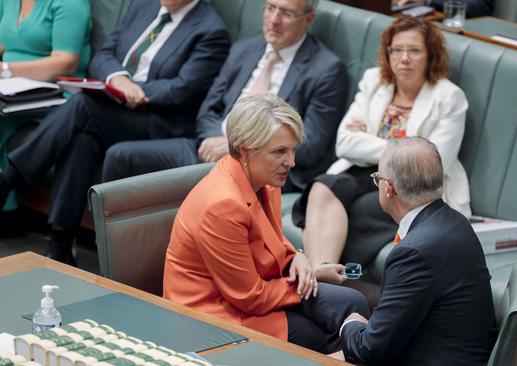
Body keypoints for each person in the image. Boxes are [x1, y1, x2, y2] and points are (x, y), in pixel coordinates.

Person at [0, 0, 230, 264]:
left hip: (160, 120)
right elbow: (104, 54)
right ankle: (60, 242)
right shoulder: (143, 6)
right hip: (116, 107)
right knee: (81, 138)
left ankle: (10, 179)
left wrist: (134, 91)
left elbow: (182, 89)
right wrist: (117, 79)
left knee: (82, 106)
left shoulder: (211, 31)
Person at [163, 94, 369, 354]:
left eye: (293, 149)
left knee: (353, 302)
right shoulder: (222, 205)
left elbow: (271, 242)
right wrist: (311, 277)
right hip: (215, 312)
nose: (291, 162)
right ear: (245, 148)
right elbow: (249, 297)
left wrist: (297, 257)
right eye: (280, 152)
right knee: (323, 336)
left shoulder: (266, 180)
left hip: (259, 291)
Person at [101, 0, 346, 193]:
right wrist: (214, 140)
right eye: (270, 8)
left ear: (308, 19)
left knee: (208, 184)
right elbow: (209, 110)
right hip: (211, 148)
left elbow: (310, 144)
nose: (274, 20)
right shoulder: (244, 50)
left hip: (264, 168)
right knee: (120, 156)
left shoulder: (326, 69)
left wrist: (236, 148)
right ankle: (114, 255)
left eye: (287, 13)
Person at [293, 16, 470, 281]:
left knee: (364, 207)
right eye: (396, 50)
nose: (404, 58)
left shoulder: (449, 97)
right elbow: (344, 142)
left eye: (414, 50)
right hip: (364, 170)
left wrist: (366, 140)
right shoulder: (374, 80)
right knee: (323, 186)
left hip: (412, 185)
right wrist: (405, 148)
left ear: (431, 55)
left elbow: (433, 162)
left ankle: (330, 283)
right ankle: (323, 274)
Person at [336, 137, 496, 365]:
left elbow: (368, 351)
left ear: (388, 188)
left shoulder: (414, 252)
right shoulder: (456, 222)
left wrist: (350, 325)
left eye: (377, 178)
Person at [0, 0, 91, 212]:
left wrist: (6, 69)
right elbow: (4, 42)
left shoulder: (70, 4)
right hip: (9, 88)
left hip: (54, 93)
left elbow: (65, 62)